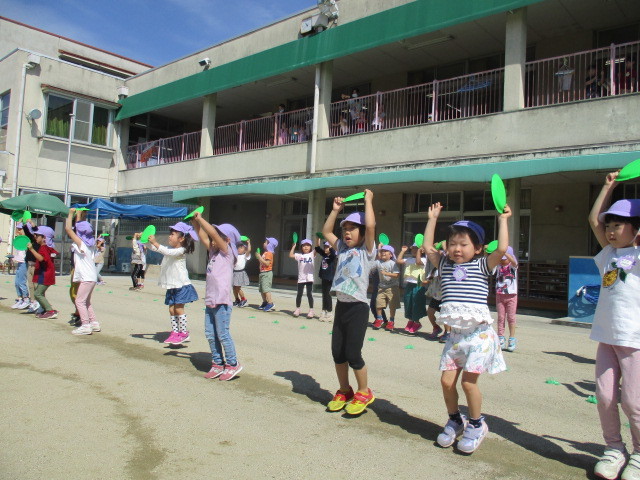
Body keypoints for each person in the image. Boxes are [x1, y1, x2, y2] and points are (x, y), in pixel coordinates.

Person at [423, 203, 509, 454]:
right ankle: (454, 420)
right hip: (455, 337)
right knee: (446, 382)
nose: (456, 249)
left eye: (463, 244)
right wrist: (432, 219)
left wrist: (503, 220)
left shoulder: (482, 266)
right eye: (452, 244)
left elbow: (502, 248)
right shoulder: (444, 265)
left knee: (469, 384)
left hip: (479, 336)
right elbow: (429, 247)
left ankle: (476, 423)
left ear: (479, 248)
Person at [587, 171, 640, 480]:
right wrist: (608, 187)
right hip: (607, 337)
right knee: (605, 397)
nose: (609, 230)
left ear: (635, 229)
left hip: (634, 340)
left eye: (618, 225)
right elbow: (593, 218)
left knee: (634, 402)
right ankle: (614, 449)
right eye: (609, 225)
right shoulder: (608, 254)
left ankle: (638, 454)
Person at [323, 189, 377, 415]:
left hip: (358, 307)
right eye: (345, 229)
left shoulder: (367, 251)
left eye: (352, 228)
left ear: (363, 233)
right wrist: (335, 211)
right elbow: (326, 230)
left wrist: (368, 201)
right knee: (338, 352)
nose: (346, 232)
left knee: (353, 353)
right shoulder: (342, 249)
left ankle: (364, 391)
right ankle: (345, 390)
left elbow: (372, 226)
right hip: (341, 306)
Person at [192, 212, 243, 381]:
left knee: (223, 334)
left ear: (227, 240)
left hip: (222, 301)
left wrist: (201, 219)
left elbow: (212, 234)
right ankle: (217, 363)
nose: (214, 239)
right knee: (210, 334)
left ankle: (233, 364)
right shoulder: (213, 252)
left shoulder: (227, 252)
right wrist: (195, 223)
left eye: (219, 236)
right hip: (210, 300)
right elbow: (204, 237)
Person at [147, 222, 198, 346]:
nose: (170, 236)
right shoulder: (172, 250)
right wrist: (145, 240)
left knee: (179, 308)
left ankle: (184, 332)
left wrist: (155, 242)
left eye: (173, 234)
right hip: (172, 285)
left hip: (181, 285)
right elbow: (157, 249)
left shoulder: (181, 250)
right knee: (171, 309)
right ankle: (175, 332)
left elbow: (165, 251)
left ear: (181, 238)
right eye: (170, 234)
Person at [65, 209, 100, 335]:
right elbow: (78, 228)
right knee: (86, 301)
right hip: (91, 277)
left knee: (79, 301)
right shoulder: (90, 244)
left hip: (86, 278)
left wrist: (70, 214)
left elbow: (68, 229)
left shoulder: (82, 244)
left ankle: (85, 325)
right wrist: (79, 216)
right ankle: (94, 323)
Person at [27, 226, 59, 319]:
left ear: (44, 237)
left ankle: (50, 311)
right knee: (40, 293)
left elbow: (41, 258)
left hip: (45, 274)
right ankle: (45, 309)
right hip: (45, 273)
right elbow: (54, 253)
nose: (35, 237)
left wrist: (32, 249)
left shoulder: (43, 248)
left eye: (37, 236)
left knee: (37, 294)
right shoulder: (47, 247)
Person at [396, 243, 428, 334]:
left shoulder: (424, 260)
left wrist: (419, 251)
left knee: (416, 302)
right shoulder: (409, 259)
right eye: (413, 248)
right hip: (409, 283)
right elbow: (399, 260)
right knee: (408, 301)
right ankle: (410, 320)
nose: (414, 250)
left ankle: (417, 322)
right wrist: (402, 251)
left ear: (421, 250)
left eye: (416, 249)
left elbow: (418, 262)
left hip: (418, 283)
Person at [495, 246, 519, 352]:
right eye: (501, 258)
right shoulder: (498, 266)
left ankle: (512, 338)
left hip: (511, 295)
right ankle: (500, 337)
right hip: (500, 294)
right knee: (500, 318)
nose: (503, 260)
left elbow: (514, 263)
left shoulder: (512, 266)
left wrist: (506, 253)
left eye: (504, 259)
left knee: (511, 318)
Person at [372, 244, 400, 332]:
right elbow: (371, 266)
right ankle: (379, 319)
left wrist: (386, 273)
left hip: (392, 287)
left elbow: (396, 275)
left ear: (391, 255)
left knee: (392, 305)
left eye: (386, 251)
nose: (383, 252)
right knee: (378, 303)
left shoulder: (392, 263)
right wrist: (378, 249)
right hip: (382, 287)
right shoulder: (378, 262)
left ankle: (391, 321)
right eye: (382, 251)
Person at [289, 238, 316, 318]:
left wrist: (318, 239)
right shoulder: (299, 256)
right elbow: (290, 255)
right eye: (304, 245)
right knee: (299, 294)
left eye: (308, 245)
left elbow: (317, 248)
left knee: (309, 294)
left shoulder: (312, 254)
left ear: (311, 247)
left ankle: (311, 310)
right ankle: (297, 309)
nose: (306, 247)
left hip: (309, 278)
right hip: (301, 278)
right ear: (301, 247)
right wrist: (293, 246)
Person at [315, 238, 337, 321]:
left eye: (327, 247)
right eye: (325, 247)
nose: (325, 248)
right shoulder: (324, 255)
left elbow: (333, 253)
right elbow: (317, 249)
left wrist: (331, 246)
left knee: (328, 295)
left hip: (329, 278)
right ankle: (324, 311)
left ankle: (330, 312)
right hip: (324, 277)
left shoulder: (332, 256)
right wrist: (318, 240)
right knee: (324, 295)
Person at [11, 223, 30, 310]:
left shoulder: (26, 240)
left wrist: (24, 232)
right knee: (16, 282)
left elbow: (27, 248)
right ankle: (20, 299)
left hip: (23, 262)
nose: (18, 231)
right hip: (19, 262)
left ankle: (26, 299)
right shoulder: (18, 240)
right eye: (17, 229)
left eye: (20, 229)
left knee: (22, 282)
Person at [256, 237, 278, 312]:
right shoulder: (265, 253)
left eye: (265, 242)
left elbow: (267, 263)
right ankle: (265, 302)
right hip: (262, 273)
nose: (264, 243)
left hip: (267, 273)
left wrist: (259, 257)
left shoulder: (269, 253)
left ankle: (270, 303)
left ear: (269, 245)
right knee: (262, 289)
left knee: (266, 289)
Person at [233, 238, 252, 308]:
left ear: (245, 250)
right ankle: (237, 299)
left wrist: (248, 242)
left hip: (240, 273)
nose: (239, 249)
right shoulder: (235, 255)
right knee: (234, 287)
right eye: (238, 247)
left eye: (241, 248)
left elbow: (249, 250)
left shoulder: (245, 256)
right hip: (234, 272)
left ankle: (244, 299)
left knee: (238, 287)